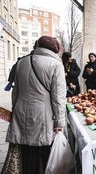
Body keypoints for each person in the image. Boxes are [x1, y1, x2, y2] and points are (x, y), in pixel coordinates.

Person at [3, 35, 67, 173]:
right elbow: (58, 98)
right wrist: (60, 123)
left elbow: (15, 92)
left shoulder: (22, 62)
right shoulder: (56, 65)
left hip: (21, 112)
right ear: (55, 50)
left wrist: (15, 111)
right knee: (43, 152)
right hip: (43, 116)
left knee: (27, 152)